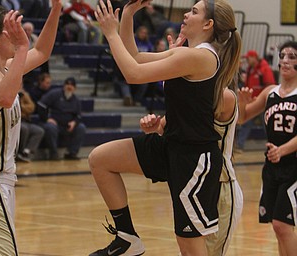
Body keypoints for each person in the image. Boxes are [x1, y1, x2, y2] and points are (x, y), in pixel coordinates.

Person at [88, 0, 241, 255]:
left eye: (193, 11)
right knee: (101, 159)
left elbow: (133, 73)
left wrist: (110, 32)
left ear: (208, 24)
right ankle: (127, 238)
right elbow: (134, 57)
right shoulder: (186, 52)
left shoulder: (200, 56)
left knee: (189, 246)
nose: (185, 14)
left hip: (193, 159)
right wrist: (128, 14)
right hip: (171, 145)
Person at [0, 1, 62, 255]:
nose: (17, 34)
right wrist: (23, 46)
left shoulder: (4, 69)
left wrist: (56, 9)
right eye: (10, 29)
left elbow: (44, 51)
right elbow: (3, 97)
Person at [140, 87, 243, 256]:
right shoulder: (192, 94)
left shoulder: (222, 96)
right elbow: (165, 129)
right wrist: (155, 126)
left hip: (219, 187)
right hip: (192, 183)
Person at [238, 40, 297, 256]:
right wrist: (242, 101)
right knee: (278, 226)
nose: (285, 60)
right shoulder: (270, 92)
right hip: (272, 166)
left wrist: (282, 150)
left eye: (292, 57)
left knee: (282, 225)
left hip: (294, 166)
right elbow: (242, 118)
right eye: (283, 56)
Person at [37, 77, 86, 160]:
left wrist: (74, 122)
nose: (69, 87)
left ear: (75, 88)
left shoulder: (76, 100)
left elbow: (78, 115)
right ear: (64, 86)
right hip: (54, 123)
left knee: (81, 127)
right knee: (50, 127)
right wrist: (47, 118)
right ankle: (53, 153)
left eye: (72, 85)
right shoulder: (54, 94)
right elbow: (41, 105)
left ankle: (72, 153)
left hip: (67, 126)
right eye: (67, 84)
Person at [236, 49, 276, 151]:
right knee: (245, 123)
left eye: (248, 58)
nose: (247, 60)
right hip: (252, 101)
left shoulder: (264, 68)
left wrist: (262, 97)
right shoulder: (250, 69)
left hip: (263, 102)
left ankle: (273, 144)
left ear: (254, 57)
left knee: (267, 125)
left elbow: (270, 85)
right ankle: (239, 145)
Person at [17, 88, 45, 162]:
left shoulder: (25, 95)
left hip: (26, 121)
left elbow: (32, 107)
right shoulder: (9, 94)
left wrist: (22, 106)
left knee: (39, 131)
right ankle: (19, 152)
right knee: (24, 129)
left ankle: (27, 152)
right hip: (16, 121)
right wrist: (23, 109)